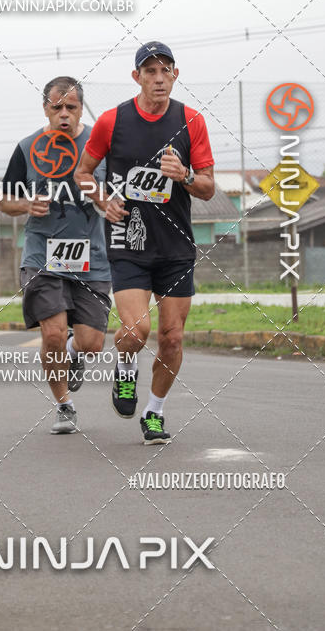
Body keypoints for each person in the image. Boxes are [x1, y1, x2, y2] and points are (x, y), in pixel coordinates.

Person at [75, 42, 215, 444]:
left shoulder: (191, 121)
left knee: (171, 337)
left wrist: (184, 175)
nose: (158, 78)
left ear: (175, 75)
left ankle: (154, 412)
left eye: (165, 70)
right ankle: (125, 366)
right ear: (136, 77)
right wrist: (102, 200)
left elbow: (207, 187)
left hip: (175, 247)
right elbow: (83, 173)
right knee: (136, 333)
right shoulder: (111, 121)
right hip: (128, 241)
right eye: (150, 71)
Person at [0, 77, 111, 434]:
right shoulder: (28, 147)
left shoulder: (100, 144)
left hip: (91, 256)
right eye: (56, 107)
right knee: (52, 334)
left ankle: (74, 355)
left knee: (92, 343)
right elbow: (4, 200)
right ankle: (64, 404)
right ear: (45, 108)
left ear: (80, 108)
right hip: (41, 256)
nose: (64, 114)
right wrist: (25, 205)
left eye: (71, 107)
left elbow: (117, 191)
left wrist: (101, 195)